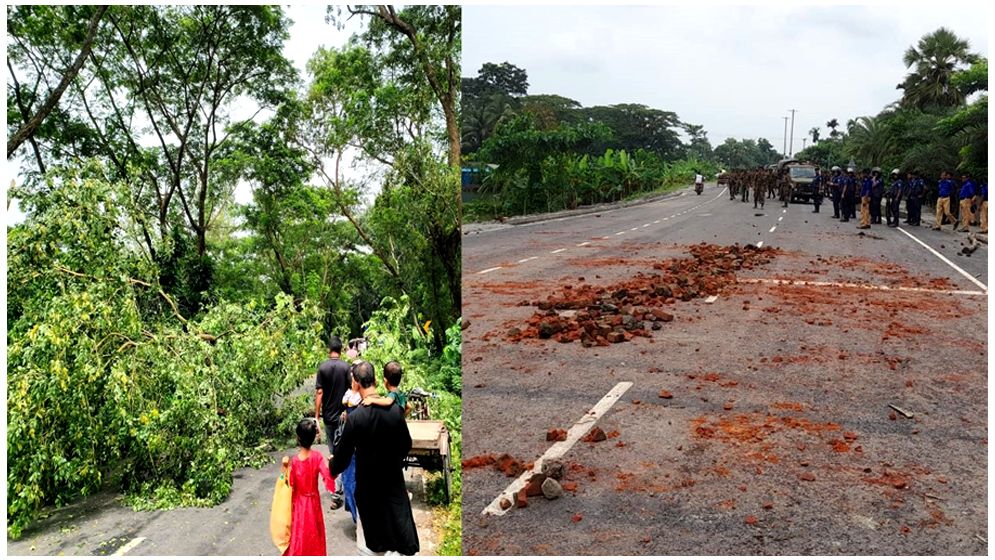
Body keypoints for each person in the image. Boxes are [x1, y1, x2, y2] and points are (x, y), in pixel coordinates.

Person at [332, 361, 419, 556]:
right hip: (394, 488)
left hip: (369, 494)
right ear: (377, 380)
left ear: (355, 383)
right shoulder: (395, 411)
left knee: (370, 549)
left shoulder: (355, 418)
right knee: (400, 546)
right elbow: (406, 445)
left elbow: (341, 459)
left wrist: (331, 464)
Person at [284, 418, 336, 556]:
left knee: (299, 531)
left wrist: (284, 470)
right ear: (314, 437)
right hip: (313, 502)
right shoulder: (317, 457)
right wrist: (333, 464)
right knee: (314, 531)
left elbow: (289, 484)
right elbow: (328, 477)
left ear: (297, 437)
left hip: (299, 502)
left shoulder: (293, 462)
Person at [315, 335, 350, 509]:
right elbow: (352, 391)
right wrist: (348, 411)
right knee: (344, 452)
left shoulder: (322, 368)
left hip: (328, 417)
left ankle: (336, 493)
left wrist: (317, 415)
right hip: (344, 418)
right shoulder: (346, 367)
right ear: (341, 350)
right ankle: (341, 487)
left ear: (329, 350)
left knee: (332, 453)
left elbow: (319, 393)